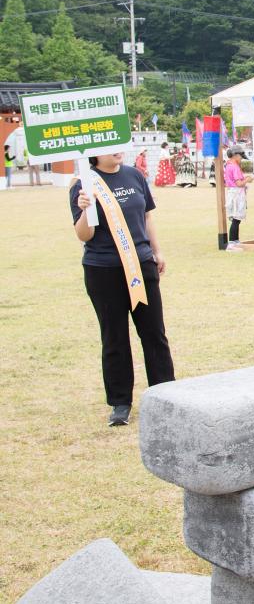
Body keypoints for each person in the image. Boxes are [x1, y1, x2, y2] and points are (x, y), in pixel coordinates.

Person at [69, 151, 174, 426]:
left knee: (154, 333)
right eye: (109, 146)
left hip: (140, 264)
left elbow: (147, 217)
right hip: (102, 269)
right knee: (114, 336)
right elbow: (84, 235)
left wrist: (157, 251)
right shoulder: (84, 183)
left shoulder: (135, 175)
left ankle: (166, 394)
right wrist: (84, 209)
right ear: (94, 153)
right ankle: (120, 402)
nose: (117, 150)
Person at [224, 146, 253, 251]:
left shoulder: (228, 165)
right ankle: (232, 243)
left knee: (236, 218)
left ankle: (235, 241)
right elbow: (239, 183)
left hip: (232, 192)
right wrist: (248, 179)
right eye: (241, 157)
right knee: (236, 219)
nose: (241, 159)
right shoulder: (234, 166)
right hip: (237, 194)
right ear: (236, 155)